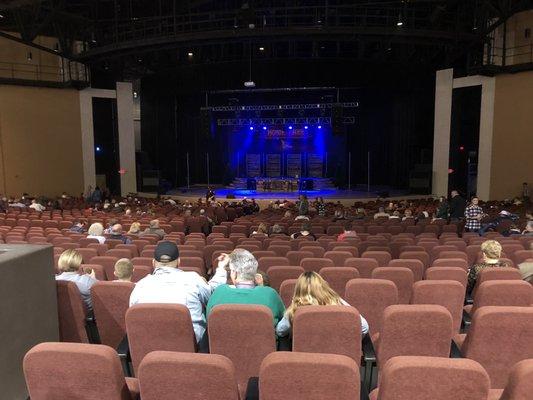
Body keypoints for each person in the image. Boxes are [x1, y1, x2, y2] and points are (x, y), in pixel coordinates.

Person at [129, 241, 227, 346]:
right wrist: (221, 268)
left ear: (153, 263)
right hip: (192, 348)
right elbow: (213, 294)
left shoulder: (139, 286)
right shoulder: (193, 279)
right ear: (179, 262)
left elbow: (134, 317)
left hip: (150, 348)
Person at [276, 271, 369, 338]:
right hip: (339, 357)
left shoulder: (296, 309)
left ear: (299, 290)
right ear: (323, 286)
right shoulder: (338, 302)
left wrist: (292, 307)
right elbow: (364, 327)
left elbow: (280, 331)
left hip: (305, 360)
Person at [206, 249, 285, 326]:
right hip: (263, 339)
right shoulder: (271, 294)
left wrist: (221, 267)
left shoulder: (219, 292)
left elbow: (208, 322)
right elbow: (284, 320)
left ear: (235, 273)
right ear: (254, 273)